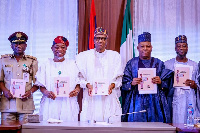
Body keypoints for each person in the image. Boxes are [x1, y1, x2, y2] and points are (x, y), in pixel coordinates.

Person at [121, 32, 173, 123]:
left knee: (155, 128)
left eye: (148, 46)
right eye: (142, 46)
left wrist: (160, 82)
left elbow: (168, 84)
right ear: (138, 48)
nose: (145, 49)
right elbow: (123, 83)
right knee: (137, 127)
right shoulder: (131, 63)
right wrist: (131, 83)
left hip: (155, 103)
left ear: (151, 48)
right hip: (136, 102)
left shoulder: (159, 63)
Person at [76, 27, 123, 122]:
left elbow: (119, 79)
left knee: (110, 124)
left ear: (107, 41)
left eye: (103, 38)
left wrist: (112, 85)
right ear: (93, 40)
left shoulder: (115, 56)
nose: (100, 41)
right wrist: (87, 85)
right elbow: (79, 78)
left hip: (109, 97)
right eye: (97, 38)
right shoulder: (84, 56)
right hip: (91, 97)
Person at [34, 36, 80, 121]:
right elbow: (41, 85)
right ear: (52, 48)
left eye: (63, 47)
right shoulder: (46, 64)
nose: (60, 50)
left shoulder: (72, 64)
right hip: (50, 102)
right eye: (56, 47)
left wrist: (76, 91)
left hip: (67, 103)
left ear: (66, 49)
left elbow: (78, 83)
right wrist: (46, 92)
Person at [0, 31, 38, 122]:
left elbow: (38, 82)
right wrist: (5, 91)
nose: (18, 45)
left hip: (26, 104)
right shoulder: (3, 60)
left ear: (25, 45)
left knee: (26, 131)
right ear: (11, 46)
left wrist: (30, 92)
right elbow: (0, 80)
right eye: (15, 43)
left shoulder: (32, 61)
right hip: (7, 105)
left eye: (21, 43)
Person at [164, 35, 198, 124]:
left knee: (190, 124)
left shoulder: (194, 65)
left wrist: (195, 85)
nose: (181, 48)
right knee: (176, 123)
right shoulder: (167, 64)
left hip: (190, 98)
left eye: (184, 46)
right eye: (179, 46)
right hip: (175, 98)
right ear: (175, 48)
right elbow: (164, 85)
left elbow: (198, 84)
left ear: (187, 48)